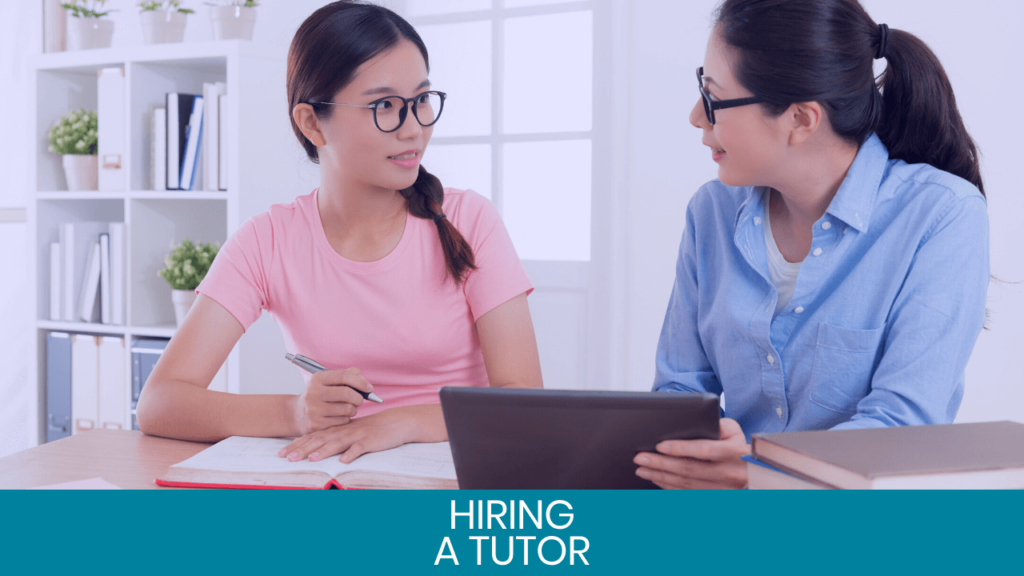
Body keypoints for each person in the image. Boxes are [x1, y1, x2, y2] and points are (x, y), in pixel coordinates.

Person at [136, 1, 542, 464]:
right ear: (311, 123)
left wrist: (402, 421)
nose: (413, 129)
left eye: (422, 100)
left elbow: (523, 402)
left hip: (455, 478)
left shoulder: (471, 221)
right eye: (384, 105)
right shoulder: (267, 240)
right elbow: (160, 403)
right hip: (338, 479)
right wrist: (295, 412)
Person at [634, 0, 989, 489]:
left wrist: (754, 475)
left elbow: (904, 426)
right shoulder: (710, 213)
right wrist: (702, 449)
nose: (697, 116)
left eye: (714, 99)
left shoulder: (942, 214)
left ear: (801, 119)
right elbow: (678, 391)